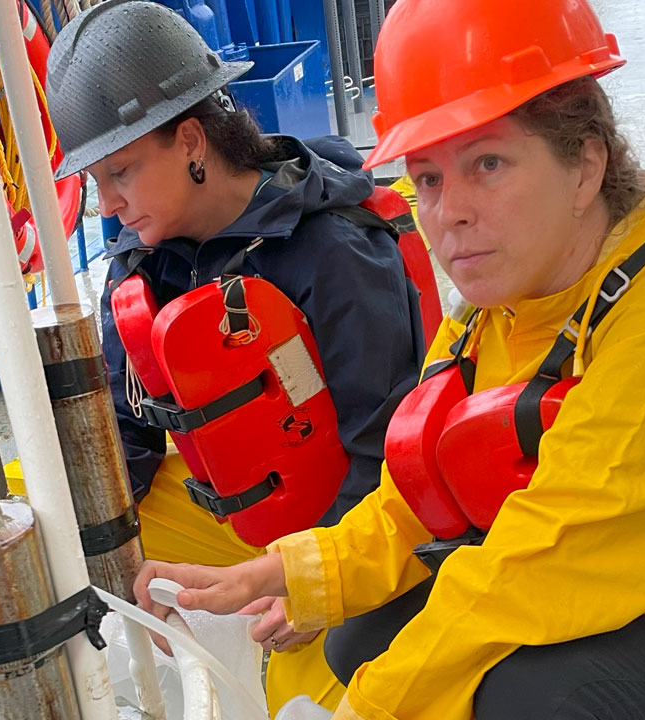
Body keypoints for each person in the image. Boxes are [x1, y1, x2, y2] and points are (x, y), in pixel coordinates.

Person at [132, 0, 645, 718]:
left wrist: (369, 706)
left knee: (530, 694)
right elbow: (414, 499)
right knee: (361, 633)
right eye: (428, 178)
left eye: (488, 163)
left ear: (586, 165)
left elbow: (548, 563)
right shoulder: (503, 309)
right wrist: (290, 576)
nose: (450, 211)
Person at [46, 1, 424, 713]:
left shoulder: (333, 251)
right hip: (229, 501)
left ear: (191, 140)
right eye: (95, 180)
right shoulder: (138, 263)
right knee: (61, 553)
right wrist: (97, 558)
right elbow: (124, 439)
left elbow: (387, 454)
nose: (106, 205)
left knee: (319, 696)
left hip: (353, 523)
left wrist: (308, 582)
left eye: (119, 171)